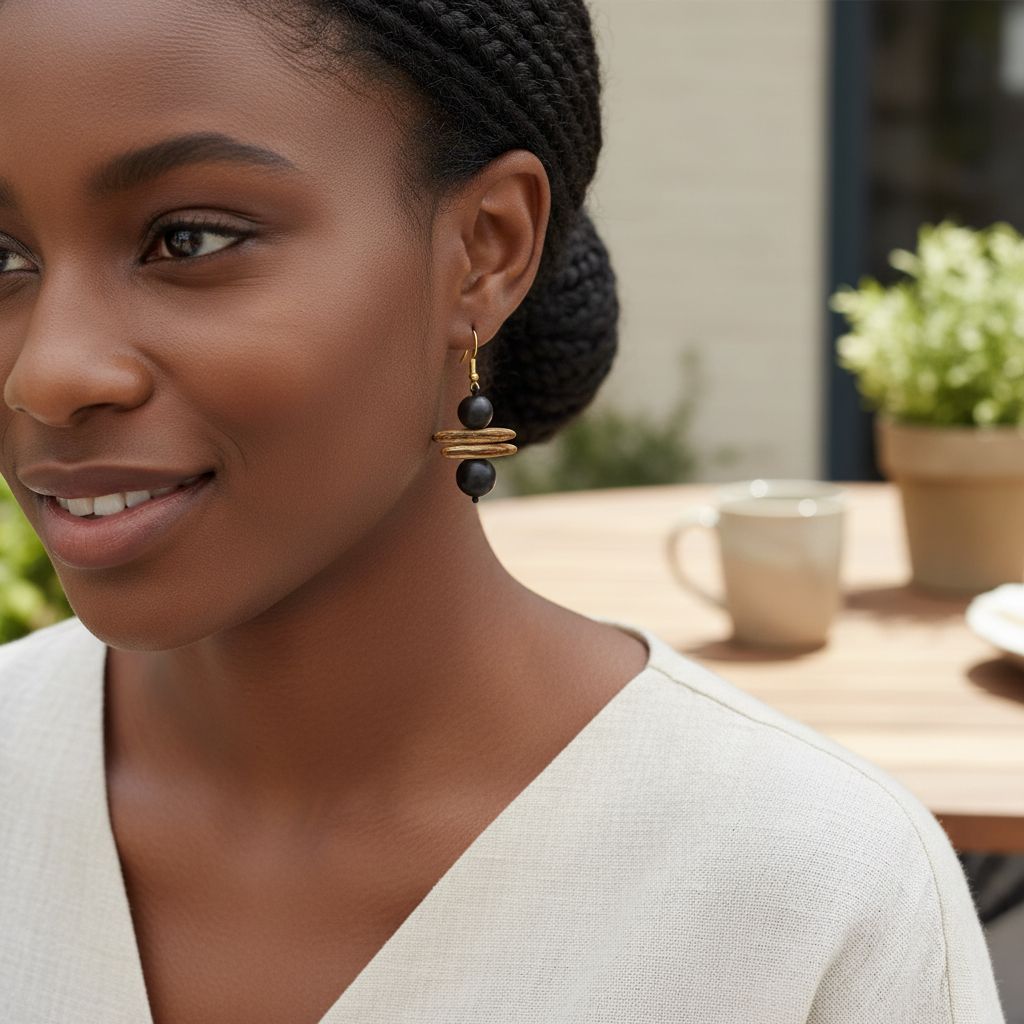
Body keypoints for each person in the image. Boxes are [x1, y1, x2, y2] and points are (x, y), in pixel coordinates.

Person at [0, 1, 1006, 1021]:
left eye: (189, 239)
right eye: (2, 259)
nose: (49, 374)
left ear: (484, 250)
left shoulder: (812, 900)